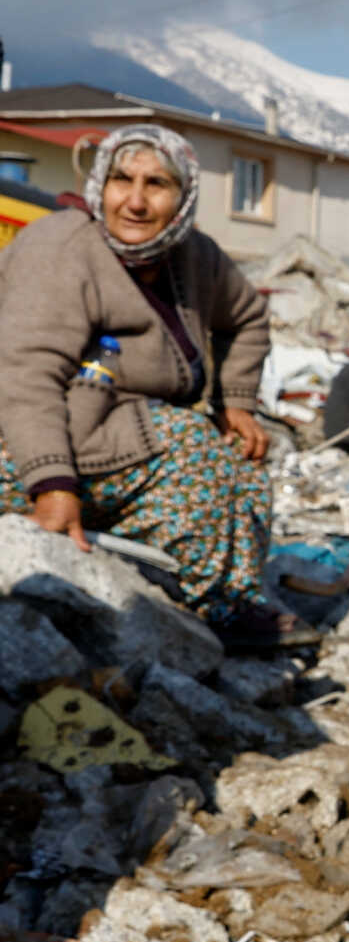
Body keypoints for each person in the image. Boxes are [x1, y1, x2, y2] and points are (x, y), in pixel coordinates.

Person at [0, 124, 315, 648]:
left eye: (157, 184)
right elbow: (26, 374)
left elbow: (247, 317)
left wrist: (236, 401)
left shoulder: (195, 257)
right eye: (121, 180)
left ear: (184, 195)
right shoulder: (62, 249)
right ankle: (215, 605)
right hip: (24, 440)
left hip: (108, 430)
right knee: (191, 446)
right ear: (99, 183)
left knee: (241, 455)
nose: (136, 202)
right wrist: (51, 485)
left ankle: (221, 592)